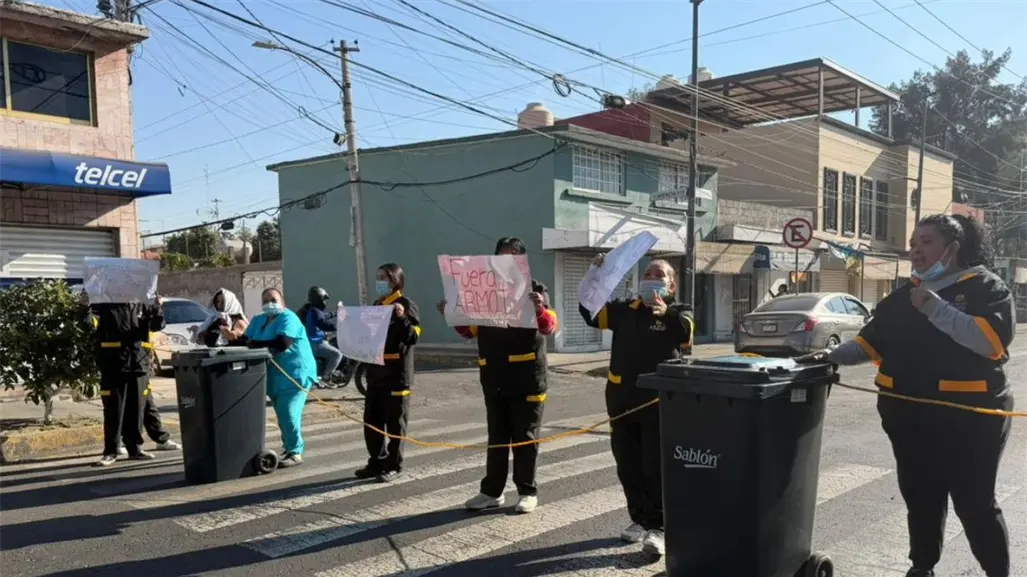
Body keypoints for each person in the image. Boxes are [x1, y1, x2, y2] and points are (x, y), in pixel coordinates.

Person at [799, 214, 1014, 577]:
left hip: (970, 418)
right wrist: (831, 355)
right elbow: (869, 344)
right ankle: (922, 567)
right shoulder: (901, 297)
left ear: (953, 248)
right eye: (913, 244)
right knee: (921, 497)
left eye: (926, 242)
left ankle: (997, 572)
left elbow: (989, 342)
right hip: (908, 419)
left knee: (974, 503)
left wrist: (933, 306)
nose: (916, 251)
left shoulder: (985, 288)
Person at [578, 257, 694, 558]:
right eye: (647, 273)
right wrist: (595, 274)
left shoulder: (679, 311)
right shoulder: (624, 310)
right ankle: (639, 520)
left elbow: (686, 333)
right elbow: (590, 311)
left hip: (657, 401)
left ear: (671, 284)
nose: (651, 277)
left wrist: (666, 313)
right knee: (627, 464)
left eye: (660, 274)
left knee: (653, 465)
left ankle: (659, 526)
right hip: (621, 399)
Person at [437, 236, 558, 514]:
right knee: (497, 437)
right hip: (494, 377)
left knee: (525, 437)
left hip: (527, 377)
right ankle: (491, 491)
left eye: (512, 257)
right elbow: (470, 332)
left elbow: (549, 326)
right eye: (501, 256)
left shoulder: (535, 289)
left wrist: (539, 307)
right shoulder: (481, 290)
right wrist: (453, 315)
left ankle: (527, 491)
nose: (506, 262)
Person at [81, 293, 181, 457]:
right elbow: (87, 326)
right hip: (113, 364)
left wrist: (157, 307)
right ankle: (111, 449)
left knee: (138, 408)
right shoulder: (104, 305)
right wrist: (83, 307)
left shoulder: (142, 304)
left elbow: (157, 325)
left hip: (137, 362)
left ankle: (135, 448)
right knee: (114, 408)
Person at [355, 263, 421, 483]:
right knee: (372, 421)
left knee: (395, 422)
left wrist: (402, 318)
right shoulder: (377, 305)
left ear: (395, 280)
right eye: (377, 277)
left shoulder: (405, 305)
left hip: (396, 376)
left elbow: (413, 337)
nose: (379, 281)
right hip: (375, 374)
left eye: (383, 277)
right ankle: (376, 461)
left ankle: (393, 464)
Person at [240, 287, 318, 468]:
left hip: (295, 373)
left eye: (274, 299)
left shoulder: (288, 318)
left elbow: (282, 343)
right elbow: (243, 340)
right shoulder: (259, 319)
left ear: (283, 302)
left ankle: (296, 452)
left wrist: (253, 343)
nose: (270, 303)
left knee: (289, 413)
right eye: (265, 300)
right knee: (282, 414)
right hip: (275, 376)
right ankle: (289, 446)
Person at [297, 286, 346, 388]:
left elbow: (325, 315)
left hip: (312, 342)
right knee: (337, 354)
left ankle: (327, 372)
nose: (325, 302)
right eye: (324, 299)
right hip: (315, 343)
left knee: (331, 344)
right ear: (319, 299)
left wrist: (336, 313)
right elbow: (324, 324)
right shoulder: (314, 311)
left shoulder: (312, 310)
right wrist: (339, 326)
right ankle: (326, 377)